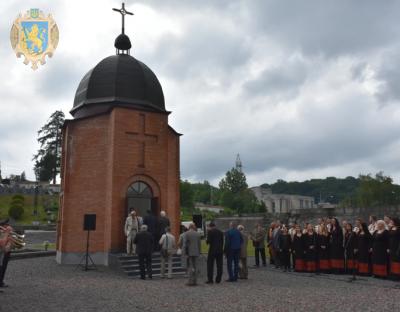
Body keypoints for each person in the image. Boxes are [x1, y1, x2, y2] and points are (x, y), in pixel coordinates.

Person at [0, 219, 13, 288]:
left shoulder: (3, 232)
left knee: (3, 268)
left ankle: (1, 282)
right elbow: (2, 243)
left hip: (5, 252)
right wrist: (7, 233)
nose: (8, 226)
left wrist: (10, 241)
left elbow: (8, 243)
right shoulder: (2, 232)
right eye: (6, 225)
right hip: (2, 252)